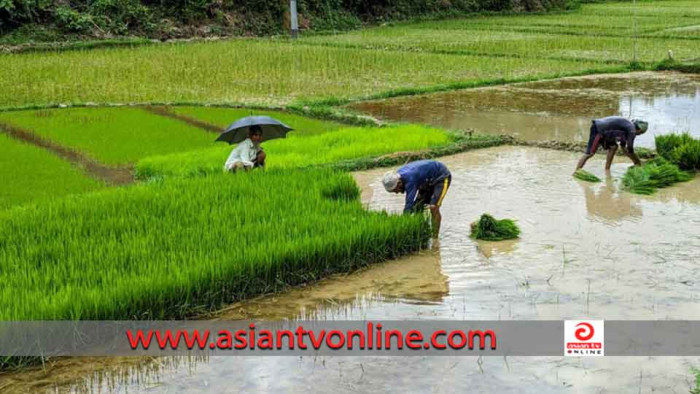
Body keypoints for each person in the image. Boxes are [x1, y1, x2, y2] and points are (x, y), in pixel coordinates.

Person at [382, 160, 452, 237]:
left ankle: (435, 237)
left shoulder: (410, 179)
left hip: (441, 176)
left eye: (396, 190)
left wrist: (402, 222)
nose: (397, 193)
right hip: (426, 180)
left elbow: (409, 204)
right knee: (418, 206)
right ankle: (421, 231)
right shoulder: (401, 176)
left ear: (399, 183)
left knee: (433, 207)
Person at [575, 116, 648, 172]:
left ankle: (607, 169)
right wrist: (638, 162)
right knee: (589, 153)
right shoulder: (631, 130)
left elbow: (624, 148)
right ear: (639, 129)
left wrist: (635, 162)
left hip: (606, 132)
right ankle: (577, 172)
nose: (639, 135)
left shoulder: (628, 128)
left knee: (613, 147)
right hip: (598, 129)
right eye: (640, 133)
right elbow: (630, 149)